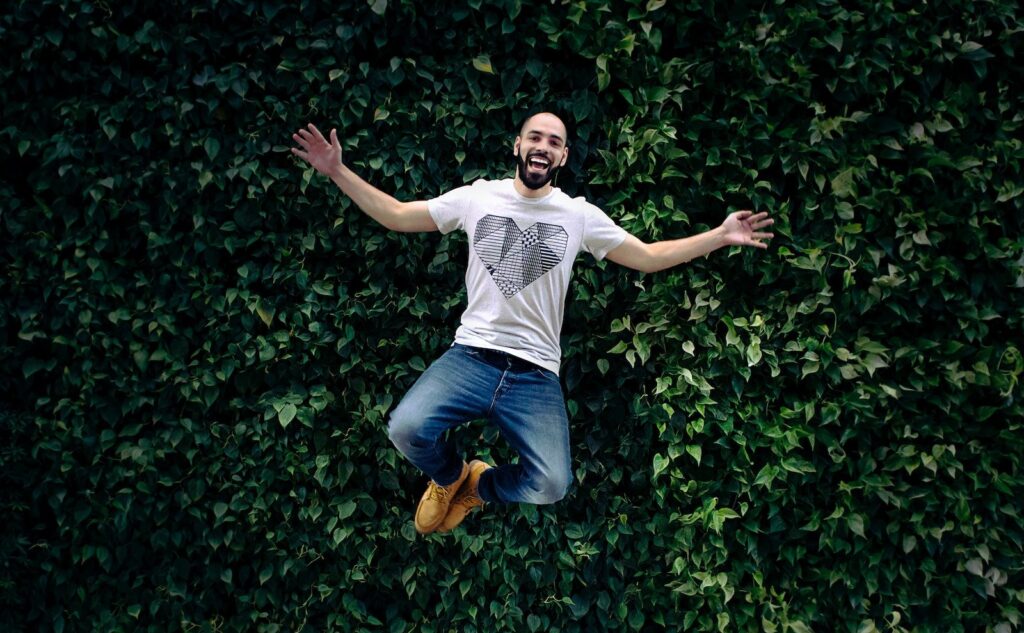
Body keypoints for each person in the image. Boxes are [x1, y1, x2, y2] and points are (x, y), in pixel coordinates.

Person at [291, 112, 773, 535]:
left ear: (561, 158)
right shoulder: (477, 199)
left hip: (534, 374)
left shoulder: (578, 215)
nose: (543, 146)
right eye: (535, 137)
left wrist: (720, 235)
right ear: (518, 146)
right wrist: (337, 171)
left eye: (555, 142)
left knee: (551, 484)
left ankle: (479, 485)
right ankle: (447, 475)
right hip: (471, 358)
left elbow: (646, 256)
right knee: (406, 428)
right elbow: (397, 215)